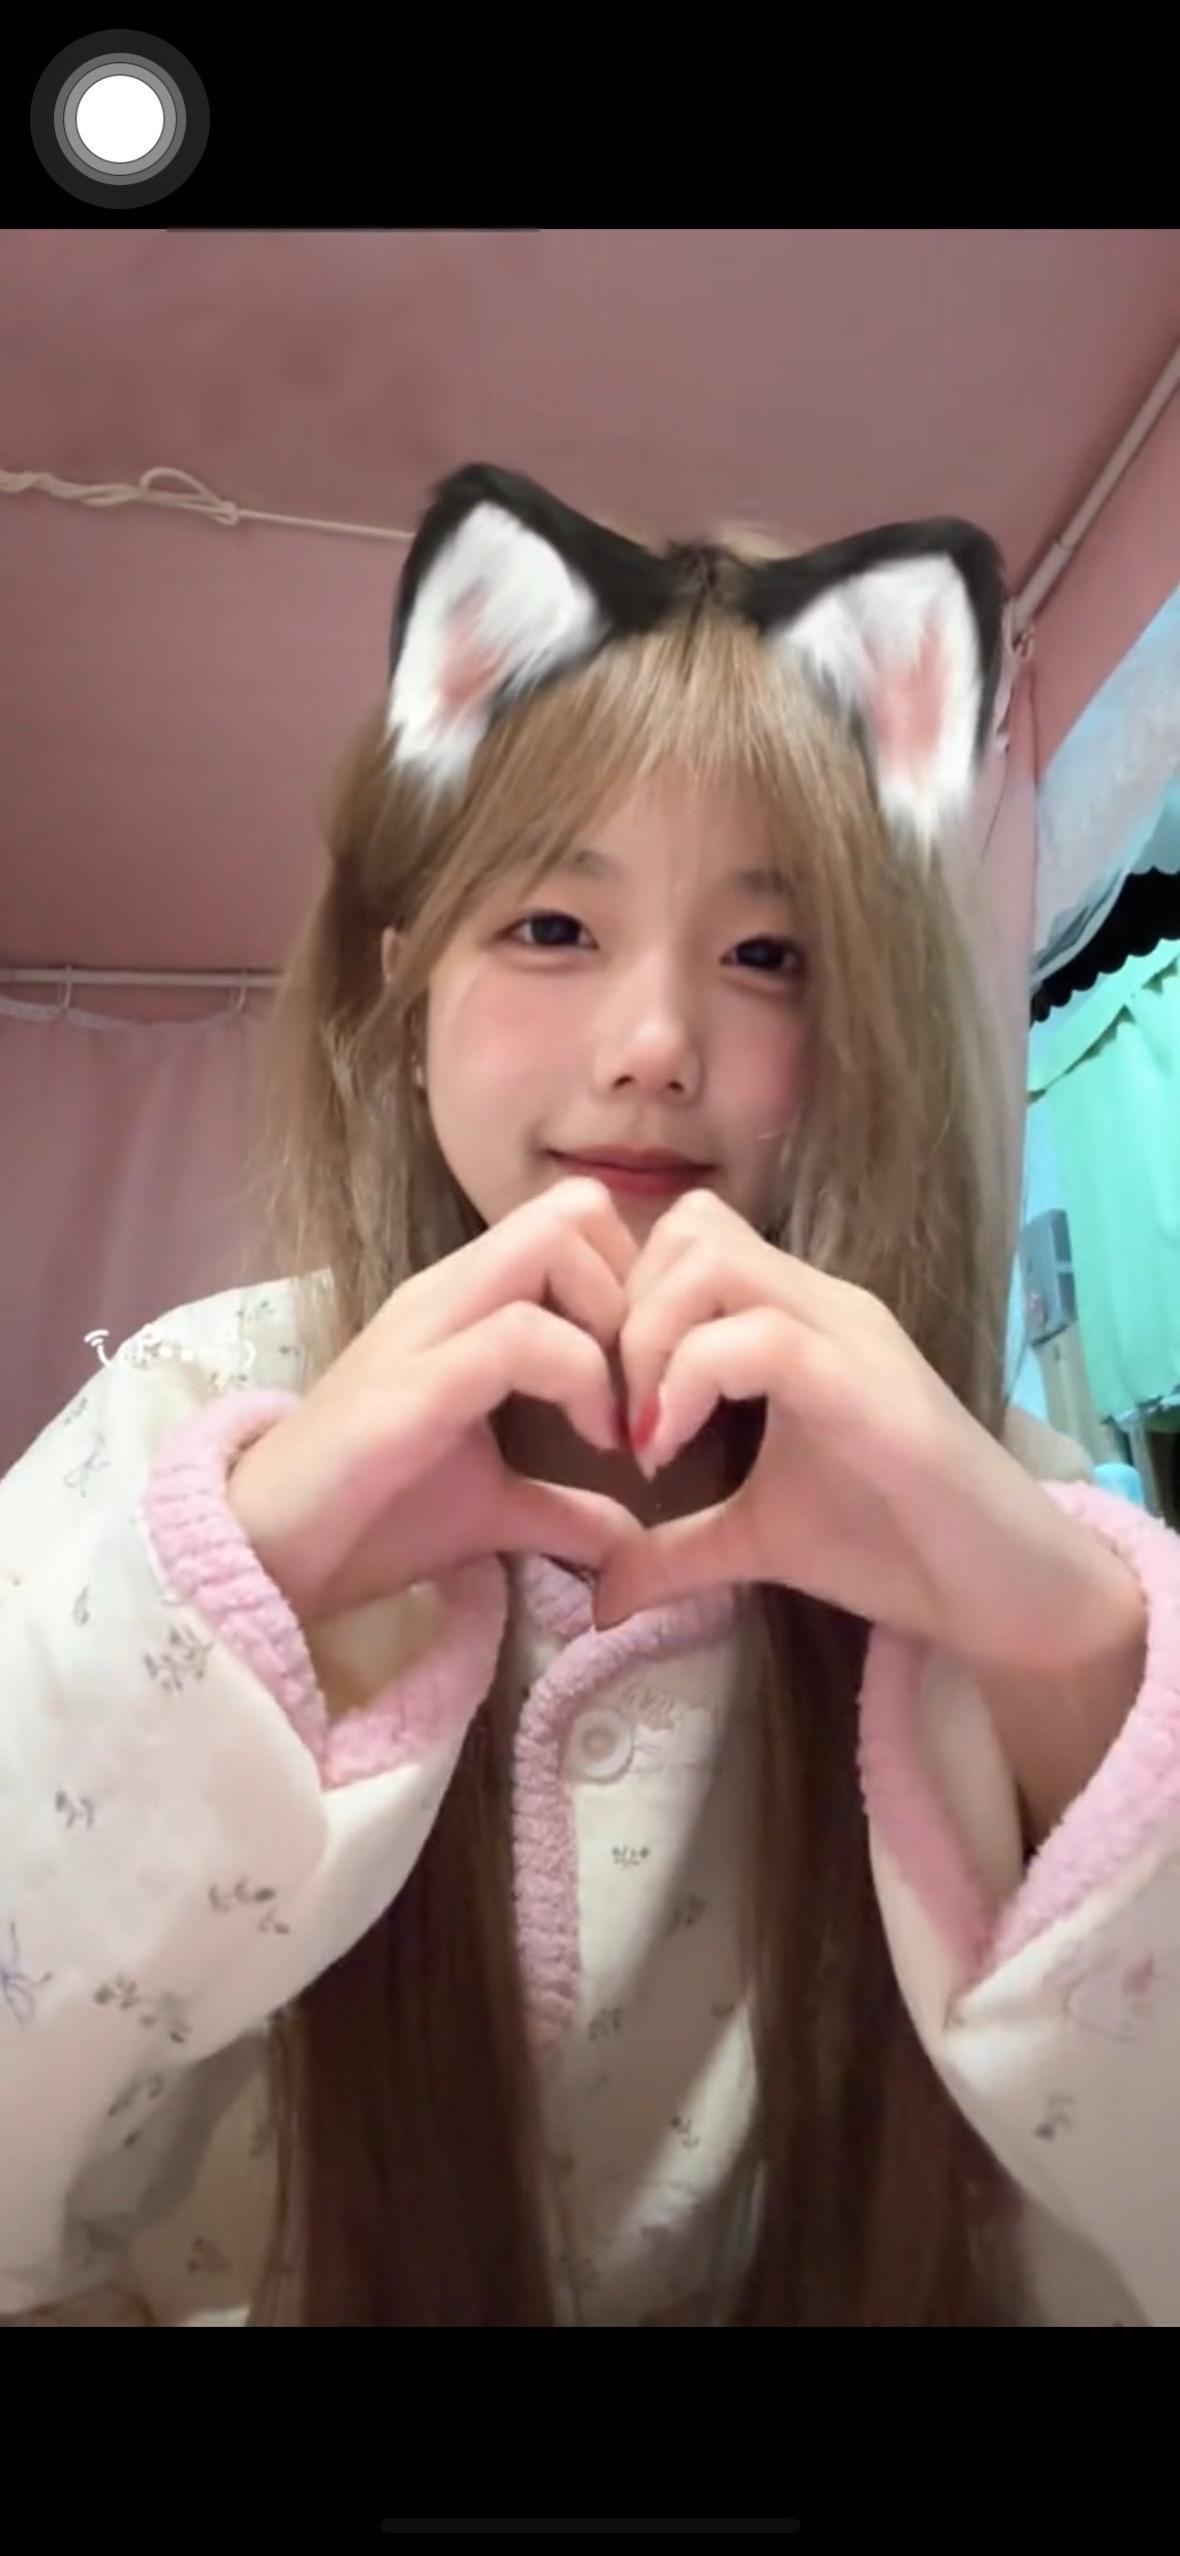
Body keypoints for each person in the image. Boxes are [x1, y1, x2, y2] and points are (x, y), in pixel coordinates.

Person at [1, 461, 1175, 2329]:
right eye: (553, 927)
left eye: (768, 956)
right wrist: (246, 1583)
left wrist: (1070, 1649)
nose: (653, 1047)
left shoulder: (971, 1492)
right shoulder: (188, 1420)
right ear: (402, 993)